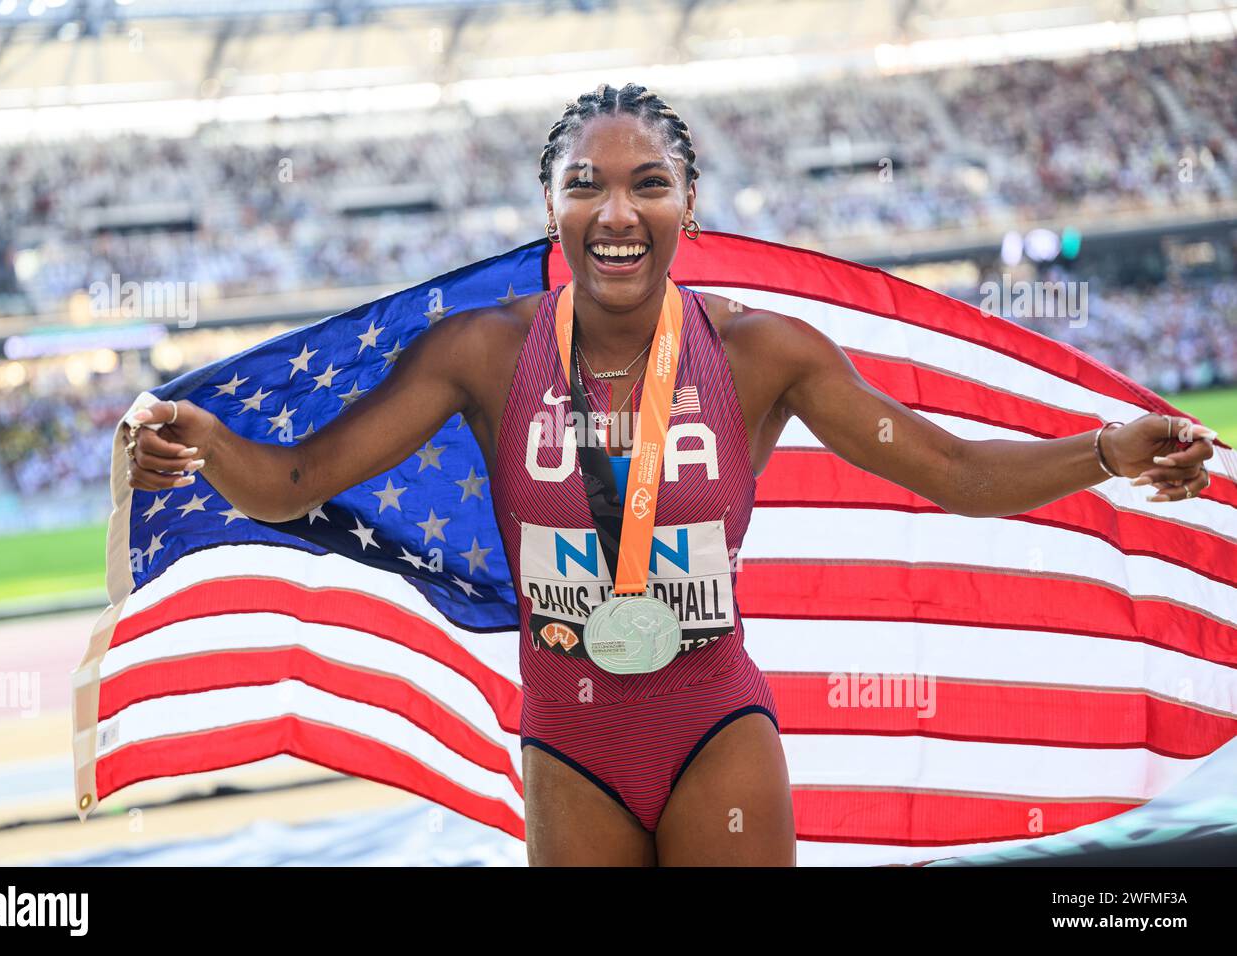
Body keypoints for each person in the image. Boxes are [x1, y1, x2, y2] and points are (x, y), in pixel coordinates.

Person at [123, 82, 1217, 867]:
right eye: (583, 185)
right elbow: (291, 482)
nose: (615, 211)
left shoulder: (762, 353)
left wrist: (1105, 453)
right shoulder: (478, 352)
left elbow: (949, 469)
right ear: (548, 208)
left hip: (713, 728)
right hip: (569, 737)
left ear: (688, 205)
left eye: (648, 183)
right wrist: (196, 437)